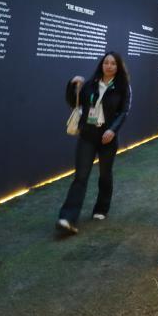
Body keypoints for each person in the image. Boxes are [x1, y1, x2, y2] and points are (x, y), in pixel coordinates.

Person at [57, 52, 132, 234]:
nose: (109, 66)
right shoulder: (90, 84)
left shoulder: (123, 87)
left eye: (113, 63)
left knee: (105, 175)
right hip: (88, 136)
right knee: (80, 177)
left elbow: (124, 112)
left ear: (118, 67)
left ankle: (101, 208)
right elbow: (74, 103)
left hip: (108, 138)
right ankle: (67, 218)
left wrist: (112, 130)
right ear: (101, 65)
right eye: (106, 62)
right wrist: (72, 85)